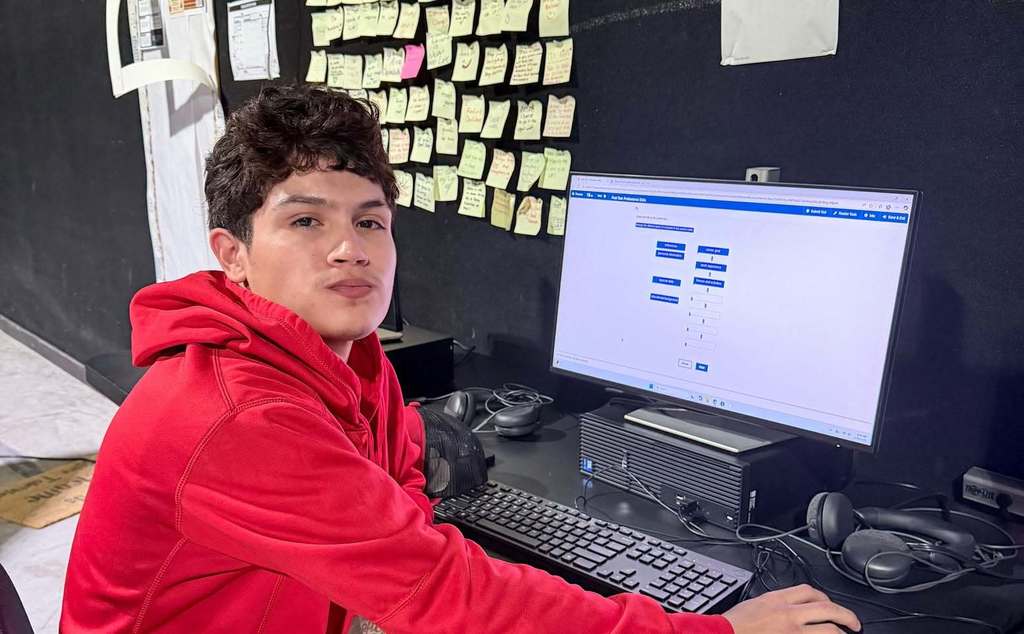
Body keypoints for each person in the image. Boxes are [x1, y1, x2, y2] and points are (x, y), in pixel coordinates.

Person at [61, 84, 860, 634]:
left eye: (370, 222)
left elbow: (402, 493)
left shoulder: (353, 359)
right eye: (306, 222)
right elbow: (446, 594)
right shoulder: (238, 415)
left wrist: (401, 531)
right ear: (232, 254)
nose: (349, 248)